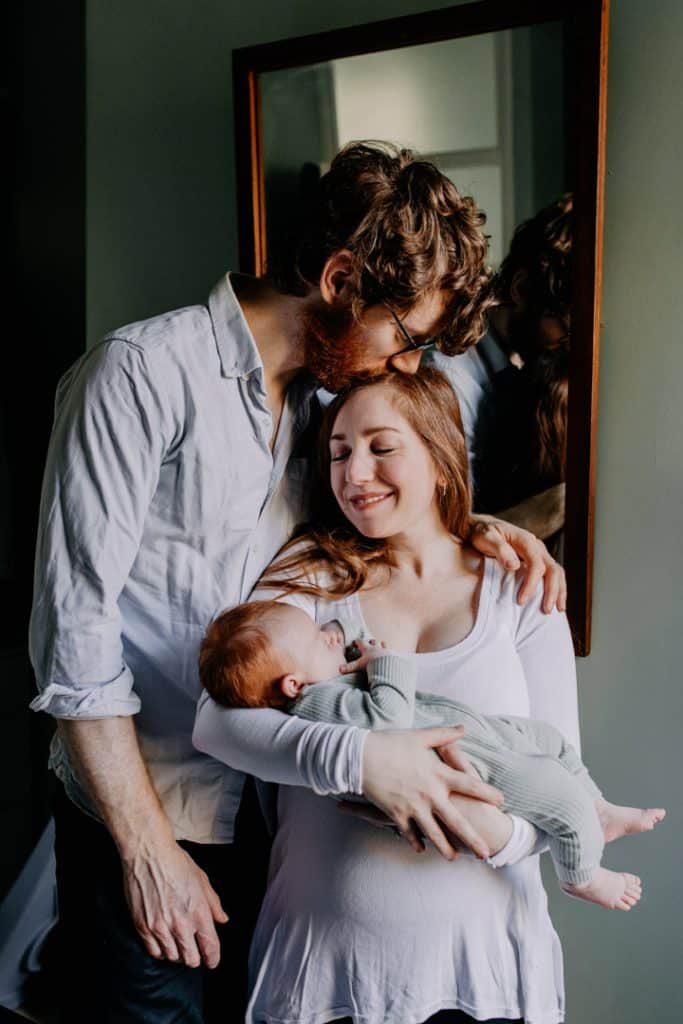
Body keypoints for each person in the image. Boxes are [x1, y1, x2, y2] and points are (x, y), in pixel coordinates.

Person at [27, 142, 565, 1024]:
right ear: (341, 277)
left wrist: (478, 531)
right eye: (404, 339)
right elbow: (73, 643)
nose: (401, 368)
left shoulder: (322, 412)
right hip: (147, 824)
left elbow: (366, 527)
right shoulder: (138, 375)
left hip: (273, 821)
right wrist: (149, 854)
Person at [193, 366, 653, 1024]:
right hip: (325, 966)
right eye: (338, 453)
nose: (354, 474)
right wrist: (367, 765)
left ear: (440, 458)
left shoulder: (516, 590)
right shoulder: (309, 582)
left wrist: (489, 832)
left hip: (485, 966)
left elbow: (560, 775)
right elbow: (217, 725)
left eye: (381, 448)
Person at [198, 598, 664, 909]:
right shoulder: (318, 703)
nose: (329, 636)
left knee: (549, 740)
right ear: (292, 685)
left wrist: (344, 633)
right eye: (317, 638)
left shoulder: (326, 676)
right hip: (473, 765)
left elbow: (345, 635)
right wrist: (386, 662)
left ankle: (599, 809)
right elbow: (390, 720)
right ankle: (581, 874)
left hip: (475, 735)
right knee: (559, 798)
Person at [427, 194, 572, 540]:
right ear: (521, 288)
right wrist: (558, 507)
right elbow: (440, 537)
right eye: (565, 329)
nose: (570, 348)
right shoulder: (449, 379)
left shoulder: (520, 366)